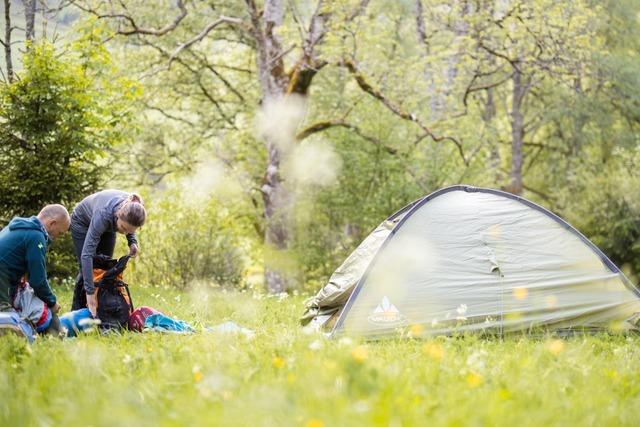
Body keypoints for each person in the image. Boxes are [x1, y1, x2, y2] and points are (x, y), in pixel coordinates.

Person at [70, 190, 146, 316]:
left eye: (130, 231)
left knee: (103, 268)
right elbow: (86, 255)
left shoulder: (133, 209)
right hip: (82, 222)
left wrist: (132, 242)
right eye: (123, 229)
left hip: (109, 224)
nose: (125, 233)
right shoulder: (104, 215)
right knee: (88, 268)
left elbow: (129, 223)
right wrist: (90, 293)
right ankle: (79, 311)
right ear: (118, 215)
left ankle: (102, 311)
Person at [0, 204, 70, 335]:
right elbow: (38, 281)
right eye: (60, 233)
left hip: (7, 285)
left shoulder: (19, 227)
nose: (58, 237)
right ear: (52, 223)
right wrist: (52, 302)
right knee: (12, 329)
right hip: (2, 290)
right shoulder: (36, 236)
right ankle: (57, 336)